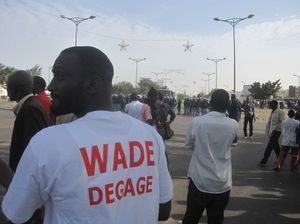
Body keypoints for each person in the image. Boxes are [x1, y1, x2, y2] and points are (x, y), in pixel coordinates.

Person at [2, 46, 172, 224]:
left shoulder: (49, 143)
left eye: (60, 76)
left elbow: (13, 215)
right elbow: (163, 209)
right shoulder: (150, 136)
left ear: (92, 84)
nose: (51, 86)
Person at [182, 89, 239, 224]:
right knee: (216, 219)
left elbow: (189, 145)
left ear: (210, 103)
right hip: (222, 183)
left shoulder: (197, 122)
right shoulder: (233, 125)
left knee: (191, 217)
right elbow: (232, 143)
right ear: (228, 104)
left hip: (199, 180)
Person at [6, 70, 54, 172]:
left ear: (15, 87)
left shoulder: (29, 109)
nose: (7, 90)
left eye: (8, 86)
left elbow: (32, 153)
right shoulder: (32, 105)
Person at [259, 100, 285, 166]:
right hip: (272, 131)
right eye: (270, 104)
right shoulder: (272, 112)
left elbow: (283, 122)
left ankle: (264, 160)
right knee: (276, 147)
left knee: (269, 146)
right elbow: (270, 122)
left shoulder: (280, 112)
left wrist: (276, 129)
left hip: (276, 131)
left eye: (271, 104)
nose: (270, 105)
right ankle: (280, 160)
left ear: (276, 105)